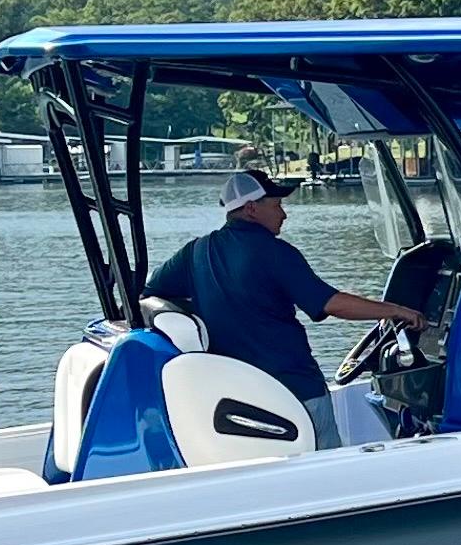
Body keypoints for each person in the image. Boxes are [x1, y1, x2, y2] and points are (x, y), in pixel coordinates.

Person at [140, 168, 424, 436]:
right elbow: (331, 303)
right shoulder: (276, 253)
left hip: (238, 396)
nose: (284, 214)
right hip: (296, 390)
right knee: (323, 469)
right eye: (276, 205)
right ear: (252, 208)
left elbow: (151, 292)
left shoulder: (195, 253)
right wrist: (396, 311)